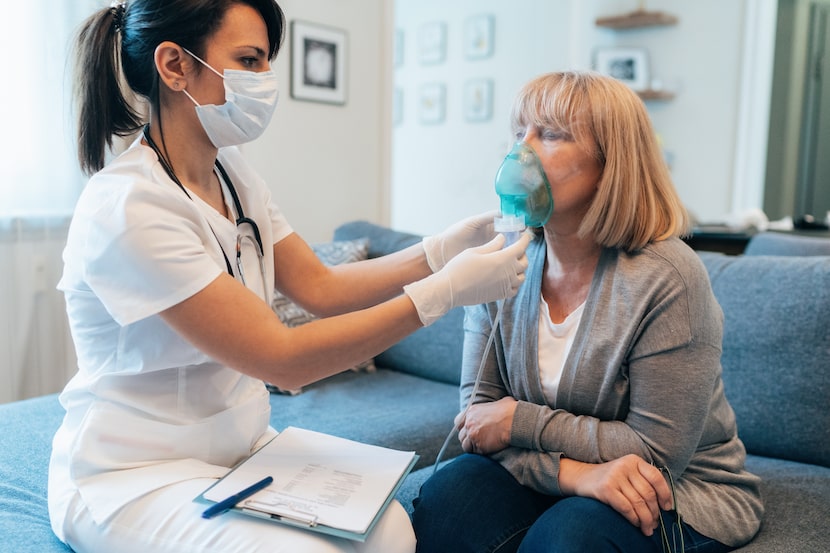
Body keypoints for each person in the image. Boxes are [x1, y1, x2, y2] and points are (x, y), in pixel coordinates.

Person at [47, 1, 531, 552]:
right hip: (138, 473)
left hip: (240, 454)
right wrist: (444, 293)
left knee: (391, 530)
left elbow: (322, 289)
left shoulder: (233, 175)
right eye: (249, 60)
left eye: (265, 62)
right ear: (174, 66)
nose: (265, 81)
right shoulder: (130, 206)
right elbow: (281, 356)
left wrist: (437, 251)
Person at [411, 71, 764, 553]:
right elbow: (476, 421)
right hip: (571, 480)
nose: (522, 152)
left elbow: (656, 455)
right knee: (449, 495)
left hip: (672, 490)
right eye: (520, 133)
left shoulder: (667, 277)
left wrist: (519, 422)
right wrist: (574, 476)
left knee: (571, 537)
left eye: (551, 134)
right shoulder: (500, 263)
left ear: (611, 164)